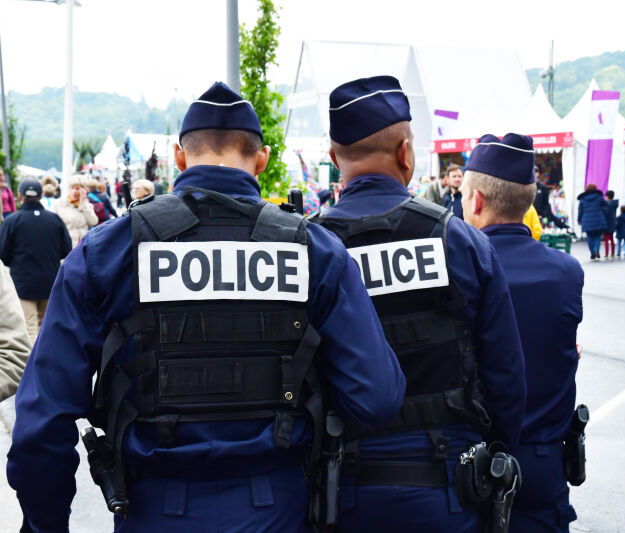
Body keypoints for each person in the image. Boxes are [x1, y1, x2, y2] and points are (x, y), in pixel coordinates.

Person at [7, 81, 406, 533]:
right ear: (262, 160)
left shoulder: (107, 252)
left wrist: (45, 522)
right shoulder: (315, 250)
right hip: (278, 510)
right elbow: (377, 398)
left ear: (179, 158)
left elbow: (42, 421)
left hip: (153, 510)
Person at [315, 76, 526, 533]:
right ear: (405, 153)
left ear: (334, 159)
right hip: (447, 484)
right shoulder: (462, 241)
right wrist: (497, 458)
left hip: (340, 486)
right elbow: (506, 376)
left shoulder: (310, 246)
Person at [459, 133, 583, 533]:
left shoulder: (459, 268)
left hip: (471, 464)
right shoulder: (566, 271)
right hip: (543, 464)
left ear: (477, 201)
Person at [0, 178, 72, 342]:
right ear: (40, 195)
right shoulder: (54, 220)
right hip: (50, 281)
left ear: (20, 196)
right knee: (48, 327)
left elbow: (2, 255)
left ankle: (32, 359)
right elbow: (66, 250)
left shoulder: (12, 221)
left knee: (29, 327)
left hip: (23, 284)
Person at [0, 258, 32, 402]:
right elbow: (65, 249)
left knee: (32, 324)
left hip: (25, 284)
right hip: (46, 283)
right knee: (36, 324)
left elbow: (6, 253)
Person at [53, 175, 98, 248]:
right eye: (72, 188)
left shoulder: (86, 205)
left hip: (82, 246)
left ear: (83, 190)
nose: (74, 191)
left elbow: (93, 222)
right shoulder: (59, 204)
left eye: (77, 188)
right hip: (66, 246)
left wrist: (83, 204)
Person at [577, 183, 607, 261]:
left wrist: (579, 220)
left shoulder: (583, 199)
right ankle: (596, 249)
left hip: (587, 220)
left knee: (589, 237)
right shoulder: (599, 197)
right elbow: (605, 204)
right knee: (598, 236)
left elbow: (580, 211)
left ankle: (592, 253)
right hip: (598, 219)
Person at [602, 190, 618, 260]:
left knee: (606, 239)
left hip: (607, 223)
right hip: (613, 222)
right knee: (611, 239)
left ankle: (606, 254)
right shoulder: (614, 204)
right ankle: (613, 253)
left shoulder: (608, 204)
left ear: (607, 196)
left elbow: (605, 213)